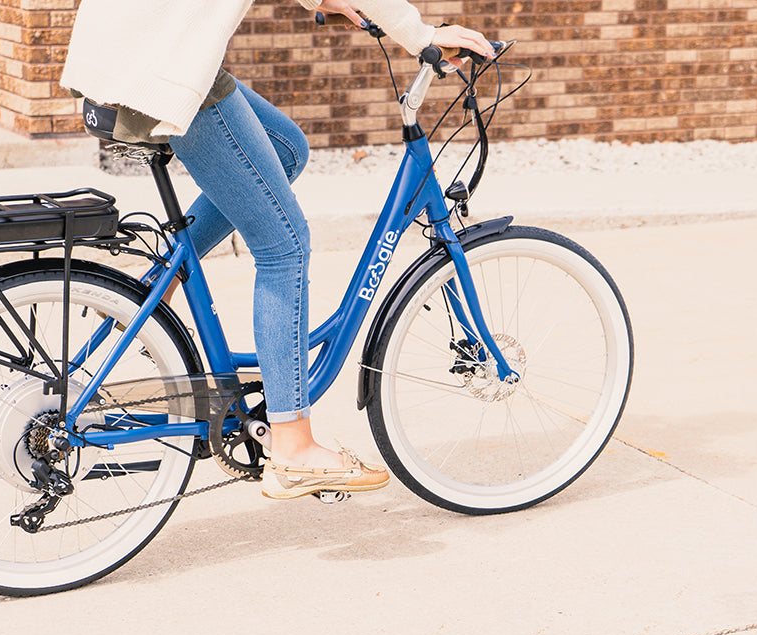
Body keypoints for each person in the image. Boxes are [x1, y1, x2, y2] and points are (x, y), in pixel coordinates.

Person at [60, 0, 495, 499]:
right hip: (159, 65)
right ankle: (292, 446)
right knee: (284, 246)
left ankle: (163, 280)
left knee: (287, 149)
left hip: (129, 54)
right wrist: (421, 35)